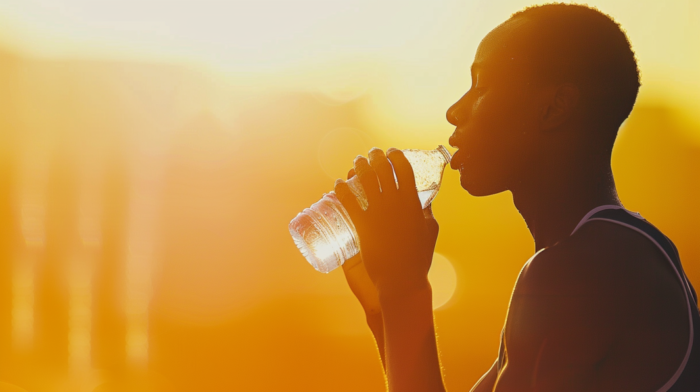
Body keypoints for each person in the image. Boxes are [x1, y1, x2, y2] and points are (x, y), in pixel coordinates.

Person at [333, 3, 700, 392]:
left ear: (554, 108)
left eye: (481, 86)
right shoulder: (612, 252)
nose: (454, 111)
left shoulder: (584, 271)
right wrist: (383, 307)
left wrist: (404, 287)